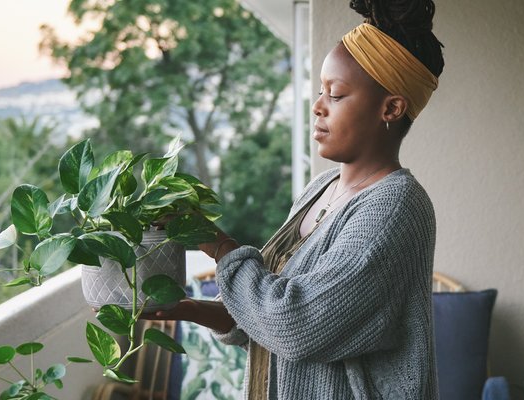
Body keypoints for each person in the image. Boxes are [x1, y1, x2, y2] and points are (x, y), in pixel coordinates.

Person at [142, 0, 445, 398]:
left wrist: (217, 244)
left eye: (335, 95)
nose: (317, 106)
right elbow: (272, 312)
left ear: (391, 107)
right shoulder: (319, 188)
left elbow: (297, 325)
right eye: (320, 91)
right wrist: (189, 310)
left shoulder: (395, 208)